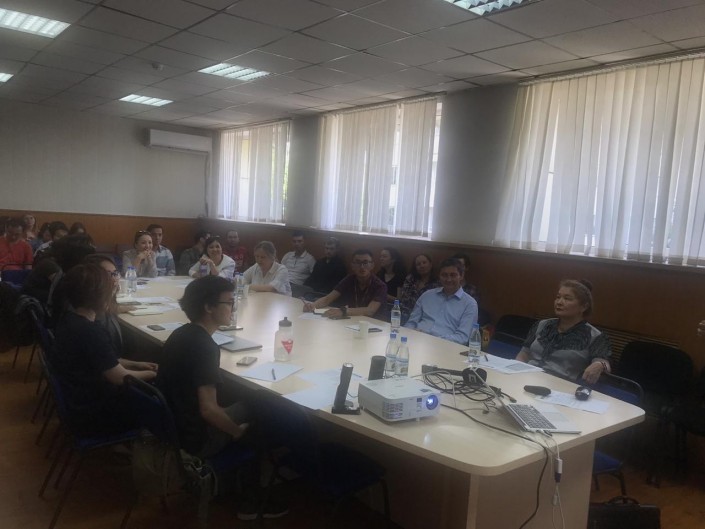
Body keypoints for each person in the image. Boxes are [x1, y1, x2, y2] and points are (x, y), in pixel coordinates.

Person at [156, 276, 288, 520]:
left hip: (174, 426)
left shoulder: (181, 334)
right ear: (209, 307)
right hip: (195, 438)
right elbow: (208, 410)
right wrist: (238, 433)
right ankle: (251, 500)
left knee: (245, 400)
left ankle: (235, 484)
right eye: (228, 302)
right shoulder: (205, 346)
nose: (233, 308)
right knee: (260, 409)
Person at [50, 263, 157, 435]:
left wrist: (136, 364)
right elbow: (120, 378)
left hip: (77, 401)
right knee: (157, 393)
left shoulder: (69, 319)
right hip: (92, 414)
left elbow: (103, 359)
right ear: (99, 297)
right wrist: (153, 374)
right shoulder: (91, 332)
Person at [515, 279, 611, 384]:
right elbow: (524, 353)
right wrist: (515, 373)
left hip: (560, 386)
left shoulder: (596, 336)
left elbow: (604, 363)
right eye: (558, 297)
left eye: (567, 299)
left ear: (584, 306)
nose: (559, 302)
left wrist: (600, 365)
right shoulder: (542, 324)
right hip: (526, 377)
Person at [404, 258, 477, 345]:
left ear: (461, 276)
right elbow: (411, 323)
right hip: (416, 341)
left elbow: (462, 337)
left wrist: (432, 340)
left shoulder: (470, 304)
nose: (448, 279)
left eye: (453, 275)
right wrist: (410, 333)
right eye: (444, 275)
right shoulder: (427, 295)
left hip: (445, 346)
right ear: (439, 276)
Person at [302, 249, 387, 319]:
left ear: (372, 265)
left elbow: (370, 311)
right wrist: (313, 305)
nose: (362, 267)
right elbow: (328, 298)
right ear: (352, 265)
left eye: (365, 263)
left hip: (374, 324)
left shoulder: (380, 286)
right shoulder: (349, 279)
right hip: (352, 322)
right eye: (358, 263)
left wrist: (343, 311)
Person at [399, 253, 440, 325]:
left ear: (430, 264)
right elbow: (404, 299)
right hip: (404, 314)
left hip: (425, 318)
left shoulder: (437, 283)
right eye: (418, 264)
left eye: (424, 263)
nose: (422, 266)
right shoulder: (410, 279)